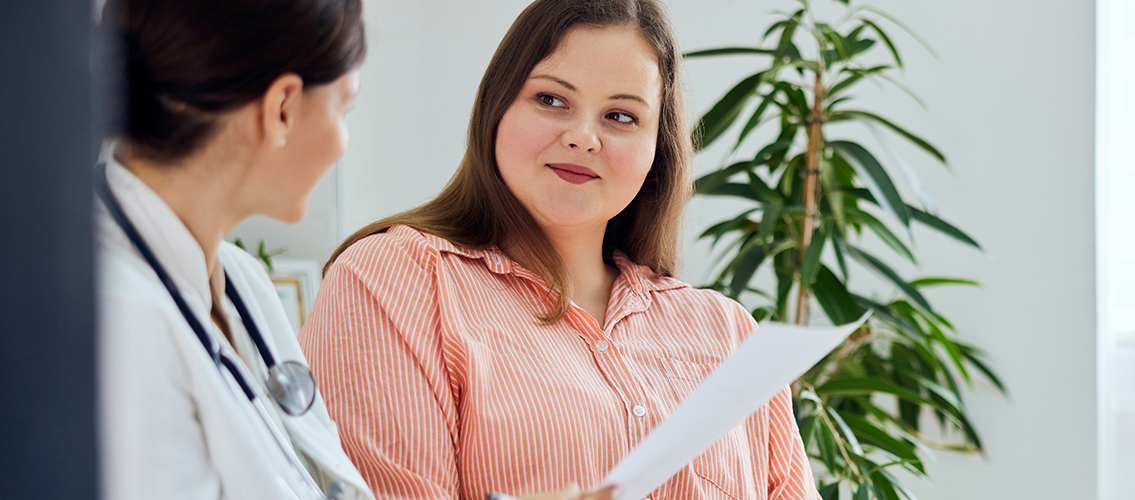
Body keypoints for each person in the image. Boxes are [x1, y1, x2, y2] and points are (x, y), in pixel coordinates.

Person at [298, 0, 820, 499]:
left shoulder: (729, 335)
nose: (582, 137)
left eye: (621, 116)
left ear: (656, 148)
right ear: (497, 106)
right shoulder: (393, 280)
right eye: (551, 100)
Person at [95, 0, 371, 499]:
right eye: (344, 107)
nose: (343, 140)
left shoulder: (242, 280)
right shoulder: (119, 318)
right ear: (282, 107)